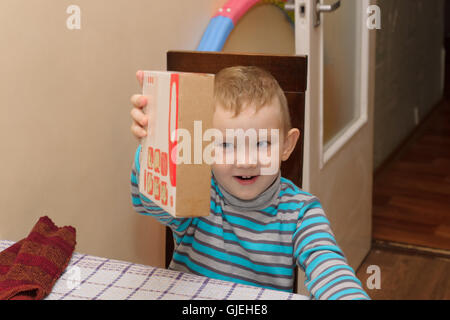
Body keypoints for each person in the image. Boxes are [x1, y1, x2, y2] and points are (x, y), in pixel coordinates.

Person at [129, 66, 370, 300]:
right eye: (225, 145)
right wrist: (153, 143)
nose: (245, 161)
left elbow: (330, 270)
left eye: (262, 144)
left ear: (287, 145)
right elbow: (149, 203)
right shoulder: (197, 191)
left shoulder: (301, 213)